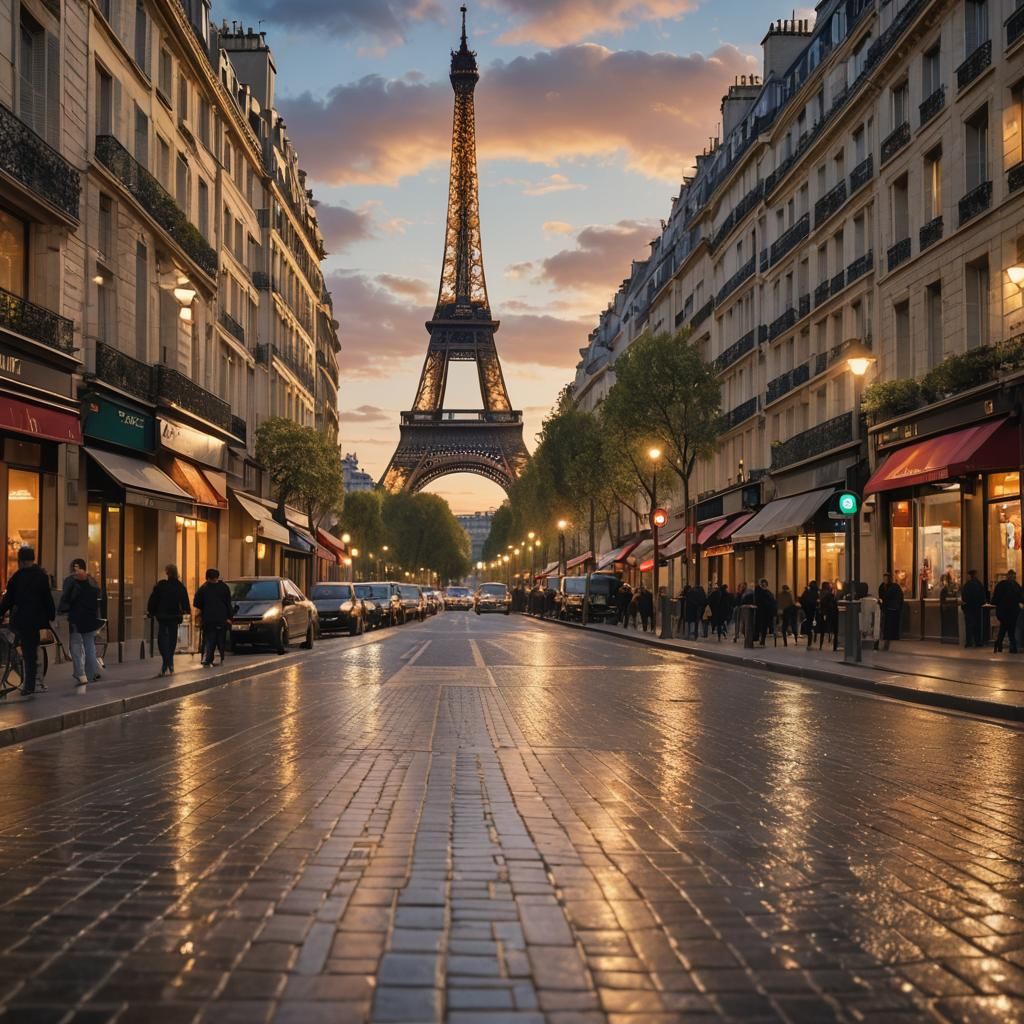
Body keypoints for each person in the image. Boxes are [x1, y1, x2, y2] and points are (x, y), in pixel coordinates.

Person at [0, 547, 56, 697]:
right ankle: (31, 683)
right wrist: (51, 616)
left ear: (20, 561)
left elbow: (7, 601)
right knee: (31, 653)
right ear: (33, 559)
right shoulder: (42, 577)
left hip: (21, 622)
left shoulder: (16, 578)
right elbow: (47, 598)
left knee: (23, 652)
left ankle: (28, 683)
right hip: (35, 621)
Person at [57, 558, 102, 686]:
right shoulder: (92, 581)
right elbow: (98, 596)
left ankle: (80, 674)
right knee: (89, 646)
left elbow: (65, 598)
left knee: (76, 646)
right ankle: (91, 673)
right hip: (90, 618)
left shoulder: (70, 581)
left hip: (76, 618)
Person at [147, 565, 191, 677]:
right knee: (172, 639)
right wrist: (186, 610)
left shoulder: (161, 586)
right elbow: (185, 601)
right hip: (174, 616)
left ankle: (166, 662)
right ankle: (169, 663)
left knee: (162, 639)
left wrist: (151, 611)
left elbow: (153, 600)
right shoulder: (180, 586)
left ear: (167, 573)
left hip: (163, 616)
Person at [194, 568, 233, 667]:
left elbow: (196, 603)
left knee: (209, 638)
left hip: (208, 618)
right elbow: (228, 603)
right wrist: (229, 617)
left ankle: (208, 658)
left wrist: (204, 607)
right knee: (220, 639)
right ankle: (220, 656)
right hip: (222, 618)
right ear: (217, 577)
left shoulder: (203, 588)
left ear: (207, 577)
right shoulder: (224, 587)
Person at [992, 569, 1022, 654]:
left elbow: (995, 598)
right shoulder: (1016, 586)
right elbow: (1021, 598)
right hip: (1013, 612)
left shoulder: (1001, 585)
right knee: (1010, 629)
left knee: (1004, 627)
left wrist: (995, 604)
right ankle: (1012, 646)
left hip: (1003, 611)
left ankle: (999, 644)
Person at [961, 569, 988, 649]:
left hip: (969, 608)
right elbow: (983, 597)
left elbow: (964, 597)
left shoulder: (967, 585)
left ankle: (969, 642)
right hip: (977, 608)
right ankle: (978, 642)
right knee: (977, 625)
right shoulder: (979, 584)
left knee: (969, 626)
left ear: (970, 576)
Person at [878, 573, 904, 651]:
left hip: (892, 609)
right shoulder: (882, 587)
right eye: (884, 579)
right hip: (887, 609)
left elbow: (898, 598)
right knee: (886, 626)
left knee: (889, 626)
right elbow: (881, 597)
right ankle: (887, 640)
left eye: (887, 579)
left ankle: (888, 640)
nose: (885, 580)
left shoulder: (894, 587)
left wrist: (895, 606)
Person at [754, 579, 777, 646]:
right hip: (762, 612)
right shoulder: (765, 593)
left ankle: (761, 639)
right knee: (762, 627)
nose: (764, 586)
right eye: (763, 584)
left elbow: (773, 603)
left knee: (763, 627)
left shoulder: (767, 593)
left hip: (765, 613)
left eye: (764, 584)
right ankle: (760, 639)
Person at [817, 581, 838, 651]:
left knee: (823, 630)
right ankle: (834, 647)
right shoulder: (829, 594)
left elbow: (821, 604)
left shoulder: (821, 594)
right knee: (835, 630)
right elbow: (834, 603)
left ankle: (820, 645)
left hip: (824, 614)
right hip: (831, 613)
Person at [799, 581, 819, 647]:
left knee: (809, 624)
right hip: (813, 611)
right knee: (811, 624)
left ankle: (809, 641)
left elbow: (801, 599)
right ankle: (810, 641)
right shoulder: (816, 593)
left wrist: (804, 606)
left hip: (806, 610)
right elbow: (817, 602)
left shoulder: (807, 592)